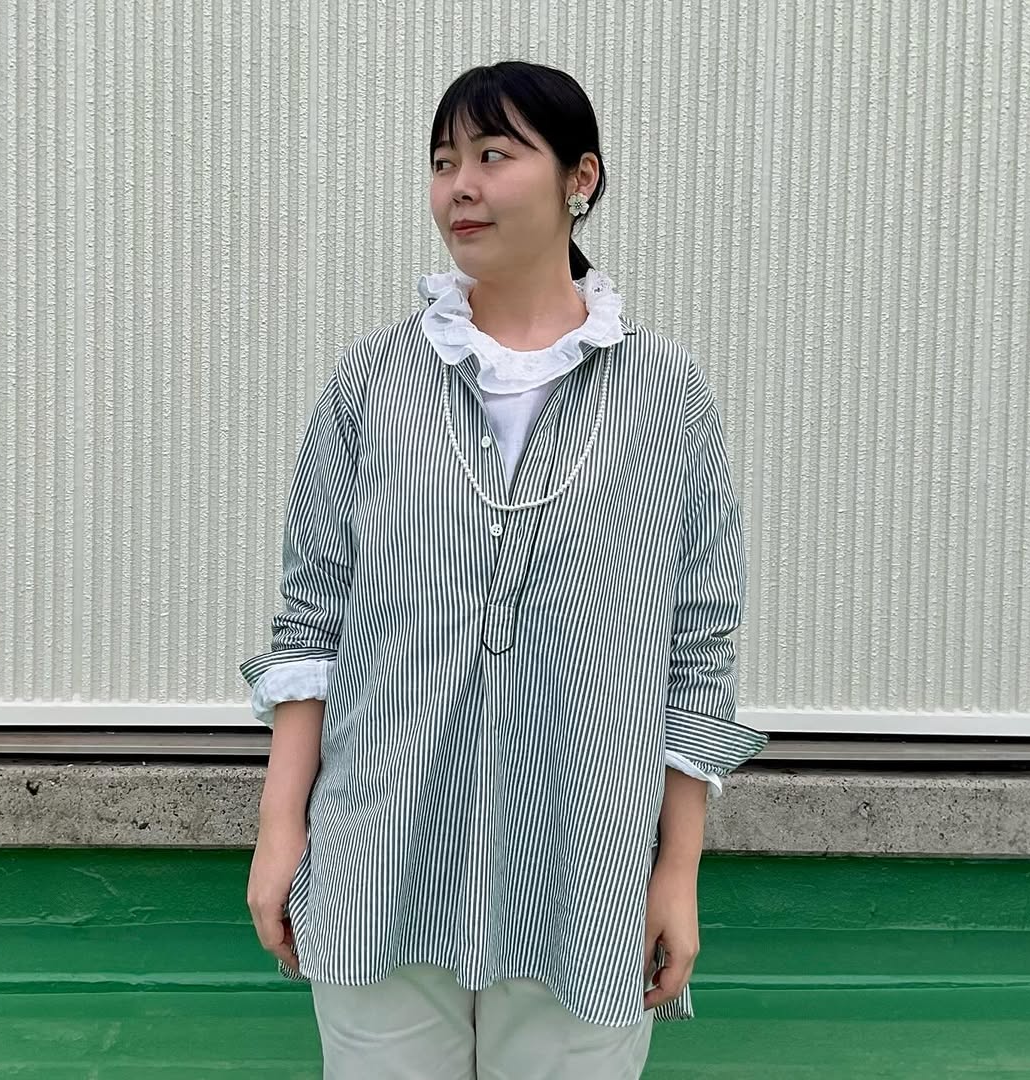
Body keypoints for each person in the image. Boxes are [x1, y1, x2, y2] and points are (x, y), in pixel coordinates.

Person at [240, 60, 770, 1079]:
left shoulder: (668, 394)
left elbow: (697, 648)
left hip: (585, 872)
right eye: (444, 162)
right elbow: (313, 623)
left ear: (581, 178)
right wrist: (278, 833)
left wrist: (678, 872)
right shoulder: (372, 382)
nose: (461, 187)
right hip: (379, 860)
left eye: (493, 155)